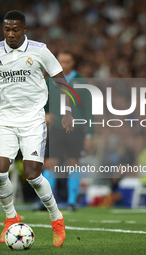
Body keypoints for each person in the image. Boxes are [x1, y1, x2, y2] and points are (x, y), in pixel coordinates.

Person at [0, 10, 74, 247]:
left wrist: (67, 111)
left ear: (24, 29)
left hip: (34, 121)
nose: (11, 34)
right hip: (6, 120)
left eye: (16, 30)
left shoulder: (40, 50)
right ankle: (11, 217)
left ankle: (56, 218)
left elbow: (61, 82)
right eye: (7, 30)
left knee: (33, 175)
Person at [42, 50, 93, 211]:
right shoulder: (50, 81)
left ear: (73, 63)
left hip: (76, 129)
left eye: (67, 62)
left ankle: (72, 202)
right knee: (50, 164)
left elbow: (90, 111)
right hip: (56, 128)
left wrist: (90, 134)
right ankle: (47, 203)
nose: (63, 65)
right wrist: (45, 113)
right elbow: (40, 101)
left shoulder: (81, 82)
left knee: (73, 163)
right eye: (60, 61)